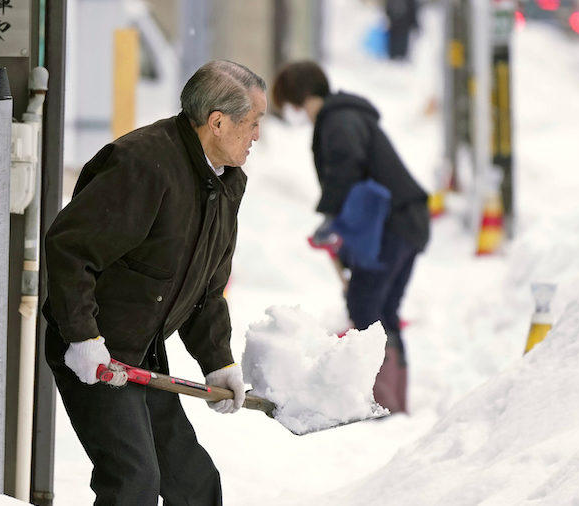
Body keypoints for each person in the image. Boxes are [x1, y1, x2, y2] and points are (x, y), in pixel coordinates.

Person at [42, 60, 267, 505]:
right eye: (253, 122)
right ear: (217, 123)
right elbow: (71, 248)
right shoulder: (142, 164)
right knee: (133, 483)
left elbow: (206, 287)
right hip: (97, 350)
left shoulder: (224, 184)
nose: (257, 135)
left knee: (192, 484)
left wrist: (217, 360)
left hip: (143, 349)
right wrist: (83, 337)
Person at [271, 61, 429, 414]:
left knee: (366, 305)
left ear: (301, 97)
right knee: (380, 307)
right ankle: (392, 401)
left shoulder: (338, 120)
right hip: (404, 220)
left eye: (293, 106)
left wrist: (330, 216)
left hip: (395, 223)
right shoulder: (344, 116)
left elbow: (346, 165)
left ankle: (383, 401)